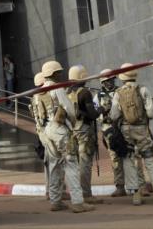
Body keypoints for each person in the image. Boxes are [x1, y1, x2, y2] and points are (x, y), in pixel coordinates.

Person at [37, 60, 94, 213]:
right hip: (60, 129)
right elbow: (69, 109)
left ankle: (56, 201)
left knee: (54, 165)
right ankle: (77, 202)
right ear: (53, 74)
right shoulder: (57, 88)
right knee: (71, 164)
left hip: (47, 130)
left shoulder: (40, 92)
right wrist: (73, 124)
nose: (61, 74)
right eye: (58, 72)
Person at [110, 63, 153, 206]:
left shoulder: (118, 93)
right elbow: (152, 113)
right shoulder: (143, 89)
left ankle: (136, 195)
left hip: (126, 130)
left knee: (129, 161)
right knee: (150, 159)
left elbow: (114, 115)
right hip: (142, 129)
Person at [67, 65, 102, 204]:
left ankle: (77, 193)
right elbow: (92, 114)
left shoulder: (67, 92)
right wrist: (101, 110)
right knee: (85, 164)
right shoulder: (85, 93)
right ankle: (86, 194)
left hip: (72, 131)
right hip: (85, 132)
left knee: (74, 164)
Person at [96, 69, 133, 197]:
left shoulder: (121, 91)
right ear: (102, 83)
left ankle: (137, 185)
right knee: (115, 158)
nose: (108, 83)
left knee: (131, 155)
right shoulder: (99, 96)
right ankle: (120, 186)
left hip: (123, 126)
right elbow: (96, 113)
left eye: (110, 80)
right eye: (106, 81)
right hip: (108, 129)